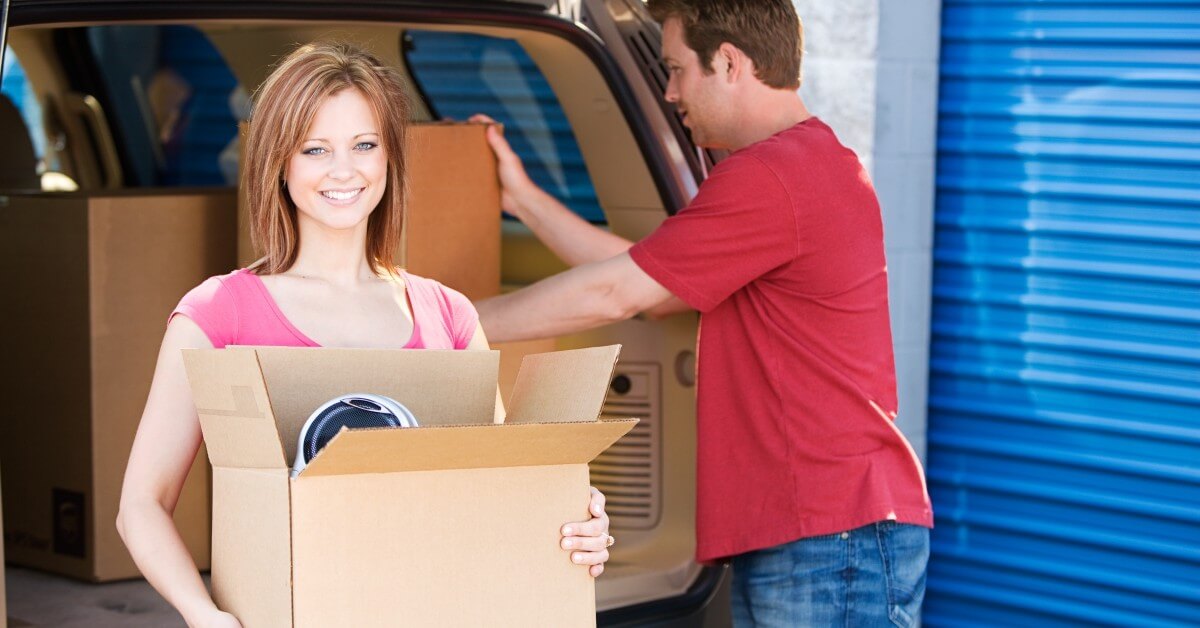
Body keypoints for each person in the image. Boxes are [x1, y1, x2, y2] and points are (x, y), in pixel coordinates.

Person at [116, 42, 614, 628]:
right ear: (280, 161)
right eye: (315, 149)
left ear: (389, 158)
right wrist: (203, 615)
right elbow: (141, 506)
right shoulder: (218, 314)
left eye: (364, 145)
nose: (344, 170)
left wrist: (576, 515)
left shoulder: (447, 315)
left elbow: (500, 483)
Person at [472, 0, 933, 625]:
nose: (668, 91)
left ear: (730, 62)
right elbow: (649, 278)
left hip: (827, 536)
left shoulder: (774, 174)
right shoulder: (804, 165)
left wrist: (448, 325)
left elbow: (619, 294)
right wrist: (523, 201)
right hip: (818, 533)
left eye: (675, 69)